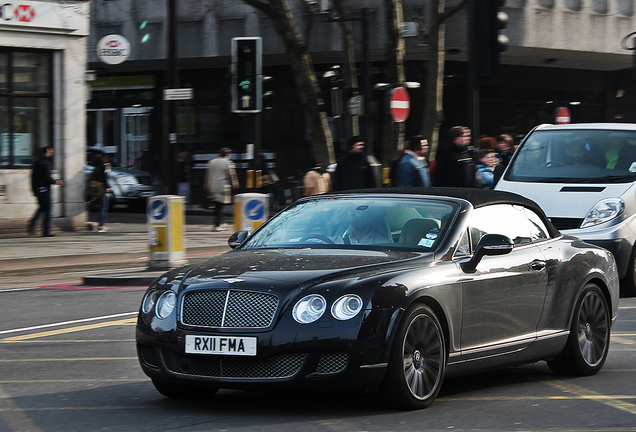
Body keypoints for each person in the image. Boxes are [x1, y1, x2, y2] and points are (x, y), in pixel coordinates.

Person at [27, 146, 63, 237]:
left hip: (38, 189)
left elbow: (33, 178)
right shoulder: (45, 163)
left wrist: (34, 190)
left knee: (42, 208)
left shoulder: (36, 163)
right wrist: (56, 181)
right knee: (47, 211)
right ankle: (46, 231)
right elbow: (47, 177)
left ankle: (32, 223)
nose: (52, 154)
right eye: (51, 152)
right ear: (47, 152)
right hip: (45, 189)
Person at [204, 147, 239, 232]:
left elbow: (208, 175)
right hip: (223, 187)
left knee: (216, 207)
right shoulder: (228, 162)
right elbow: (231, 175)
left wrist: (206, 187)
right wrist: (235, 185)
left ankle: (217, 223)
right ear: (228, 154)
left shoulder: (211, 162)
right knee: (220, 207)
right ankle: (218, 225)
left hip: (213, 187)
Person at [89, 155, 113, 232]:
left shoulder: (96, 168)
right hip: (102, 188)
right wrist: (108, 187)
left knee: (99, 206)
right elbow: (105, 178)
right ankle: (101, 226)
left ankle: (100, 225)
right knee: (103, 207)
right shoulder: (104, 167)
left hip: (95, 189)